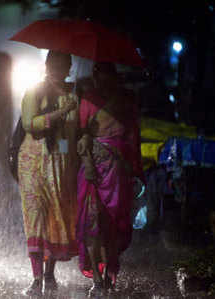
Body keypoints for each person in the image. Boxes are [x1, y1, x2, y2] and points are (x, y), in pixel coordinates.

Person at [76, 62, 145, 296]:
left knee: (113, 225)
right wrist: (87, 164)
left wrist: (135, 169)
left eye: (105, 74)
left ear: (114, 76)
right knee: (91, 223)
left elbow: (133, 137)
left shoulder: (125, 101)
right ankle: (96, 277)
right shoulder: (87, 99)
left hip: (118, 170)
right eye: (97, 74)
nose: (101, 79)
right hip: (92, 169)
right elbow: (82, 133)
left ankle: (107, 276)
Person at [17, 50, 79, 296]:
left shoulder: (74, 94)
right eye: (53, 63)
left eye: (63, 64)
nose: (57, 68)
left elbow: (77, 131)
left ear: (69, 67)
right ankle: (36, 277)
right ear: (46, 65)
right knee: (35, 218)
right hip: (33, 162)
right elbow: (29, 123)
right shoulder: (35, 91)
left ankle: (50, 273)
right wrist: (61, 113)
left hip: (61, 164)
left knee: (55, 216)